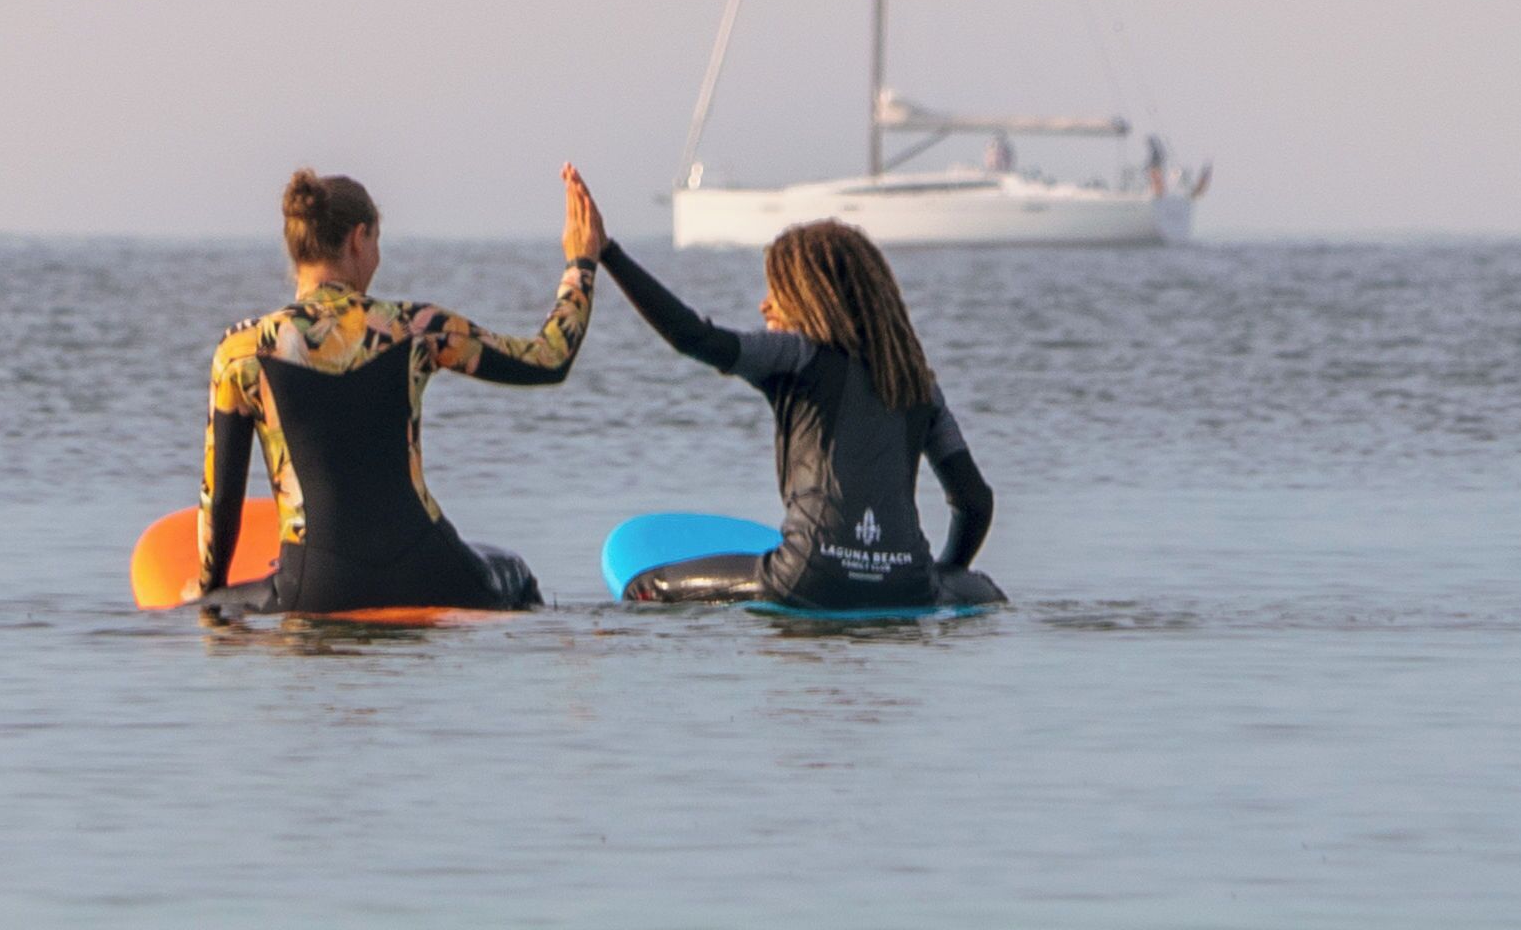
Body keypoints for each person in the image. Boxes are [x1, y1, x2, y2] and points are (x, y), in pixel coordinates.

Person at [194, 161, 605, 614]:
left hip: (318, 587)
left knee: (214, 609)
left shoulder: (241, 352)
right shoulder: (416, 329)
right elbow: (548, 360)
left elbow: (220, 505)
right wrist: (580, 263)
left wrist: (209, 591)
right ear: (359, 238)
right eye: (376, 243)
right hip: (433, 573)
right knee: (513, 571)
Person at [599, 220, 1003, 608]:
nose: (764, 304)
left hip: (807, 579)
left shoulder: (797, 356)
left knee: (643, 586)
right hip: (908, 585)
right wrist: (940, 576)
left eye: (777, 291)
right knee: (984, 590)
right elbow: (975, 502)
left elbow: (693, 336)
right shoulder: (919, 385)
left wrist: (607, 253)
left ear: (812, 296)